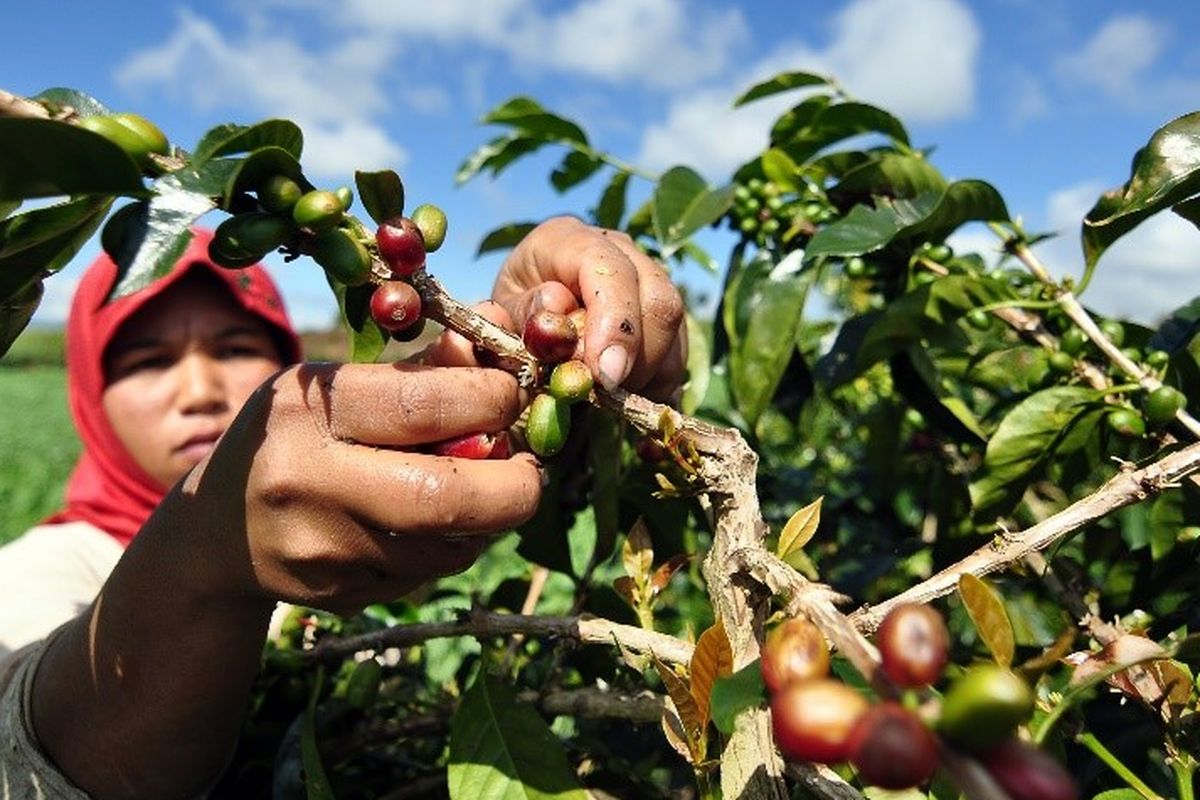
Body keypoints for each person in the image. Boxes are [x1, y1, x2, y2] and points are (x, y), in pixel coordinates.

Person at [0, 218, 685, 799]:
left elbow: (528, 444)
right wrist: (203, 565)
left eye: (235, 347)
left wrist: (529, 360)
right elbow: (28, 740)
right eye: (149, 360)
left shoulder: (352, 527)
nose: (200, 390)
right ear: (89, 389)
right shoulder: (42, 570)